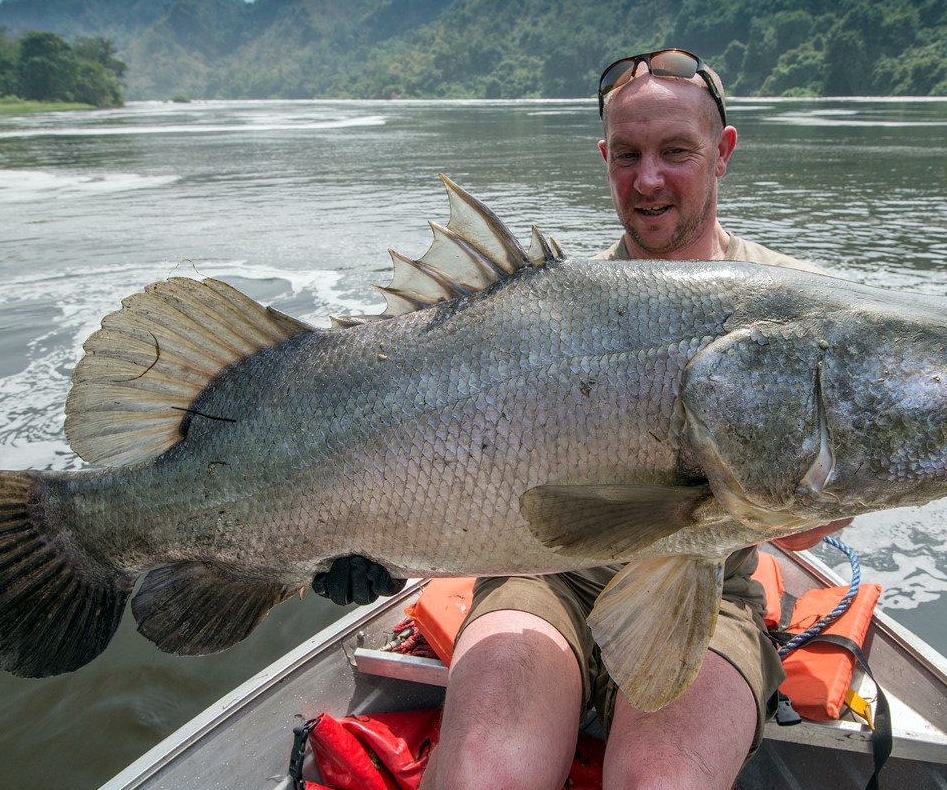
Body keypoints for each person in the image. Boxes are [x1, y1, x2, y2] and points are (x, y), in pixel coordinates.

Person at [317, 49, 853, 789]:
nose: (649, 178)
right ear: (604, 157)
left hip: (703, 587)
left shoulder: (804, 310)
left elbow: (797, 525)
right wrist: (357, 537)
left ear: (721, 151)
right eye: (627, 155)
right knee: (482, 778)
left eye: (675, 152)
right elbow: (429, 462)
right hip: (539, 575)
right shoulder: (540, 311)